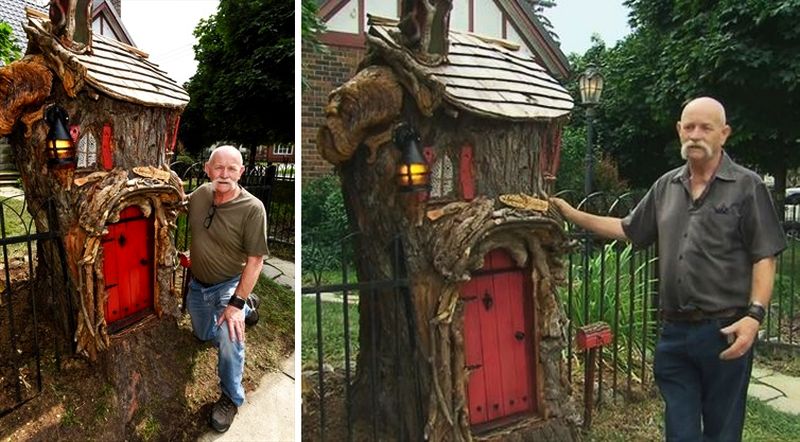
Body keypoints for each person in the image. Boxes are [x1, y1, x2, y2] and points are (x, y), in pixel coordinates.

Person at [551, 97, 787, 441]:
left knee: (723, 432)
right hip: (673, 334)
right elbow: (628, 230)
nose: (695, 134)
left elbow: (764, 255)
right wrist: (571, 214)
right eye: (688, 127)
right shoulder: (666, 186)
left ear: (724, 134)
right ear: (679, 131)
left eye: (705, 127)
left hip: (726, 330)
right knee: (680, 433)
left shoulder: (747, 186)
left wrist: (754, 317)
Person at [186, 145, 268, 433]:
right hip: (198, 286)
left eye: (232, 168)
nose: (224, 174)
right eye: (218, 167)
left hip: (228, 285)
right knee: (203, 334)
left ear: (241, 172)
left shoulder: (252, 208)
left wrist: (235, 304)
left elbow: (256, 261)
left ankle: (231, 398)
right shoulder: (199, 196)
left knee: (228, 335)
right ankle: (249, 307)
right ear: (207, 170)